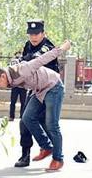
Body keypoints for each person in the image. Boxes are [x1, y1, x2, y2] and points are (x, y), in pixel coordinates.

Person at [0, 40, 71, 171]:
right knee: (27, 118)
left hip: (53, 86)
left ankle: (58, 159)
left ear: (2, 77)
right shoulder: (9, 77)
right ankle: (47, 147)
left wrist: (62, 49)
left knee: (52, 124)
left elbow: (41, 60)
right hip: (38, 90)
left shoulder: (21, 70)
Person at [15, 20, 60, 167]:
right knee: (25, 121)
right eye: (31, 34)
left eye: (36, 34)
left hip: (51, 88)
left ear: (43, 34)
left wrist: (23, 60)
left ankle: (56, 155)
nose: (33, 37)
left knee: (48, 124)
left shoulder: (48, 46)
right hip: (35, 89)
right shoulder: (28, 45)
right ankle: (25, 155)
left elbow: (35, 59)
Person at [9, 52, 27, 121]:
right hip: (15, 86)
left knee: (23, 102)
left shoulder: (25, 62)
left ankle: (22, 116)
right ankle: (11, 116)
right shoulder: (14, 61)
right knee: (13, 102)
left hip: (23, 86)